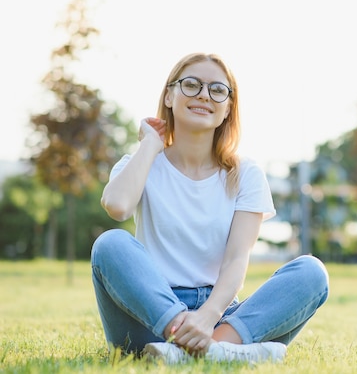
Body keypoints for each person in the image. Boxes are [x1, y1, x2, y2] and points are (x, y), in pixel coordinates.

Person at [90, 52, 329, 365]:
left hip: (218, 311)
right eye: (191, 85)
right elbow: (117, 207)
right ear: (169, 95)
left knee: (312, 272)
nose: (204, 94)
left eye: (217, 90)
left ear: (228, 107)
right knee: (110, 244)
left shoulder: (246, 173)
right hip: (150, 313)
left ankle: (204, 349)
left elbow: (236, 260)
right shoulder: (141, 162)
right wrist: (150, 143)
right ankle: (220, 352)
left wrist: (207, 318)